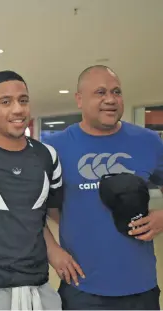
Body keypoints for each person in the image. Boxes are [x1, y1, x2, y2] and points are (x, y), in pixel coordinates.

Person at [44, 65, 163, 310]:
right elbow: (29, 210)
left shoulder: (149, 141)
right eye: (100, 92)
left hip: (140, 287)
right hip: (81, 287)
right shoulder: (54, 148)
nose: (110, 99)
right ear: (79, 99)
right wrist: (52, 250)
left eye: (116, 92)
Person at [0, 70, 67, 310]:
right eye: (6, 102)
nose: (18, 109)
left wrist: (56, 251)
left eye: (24, 100)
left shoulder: (46, 156)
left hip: (40, 287)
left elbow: (43, 215)